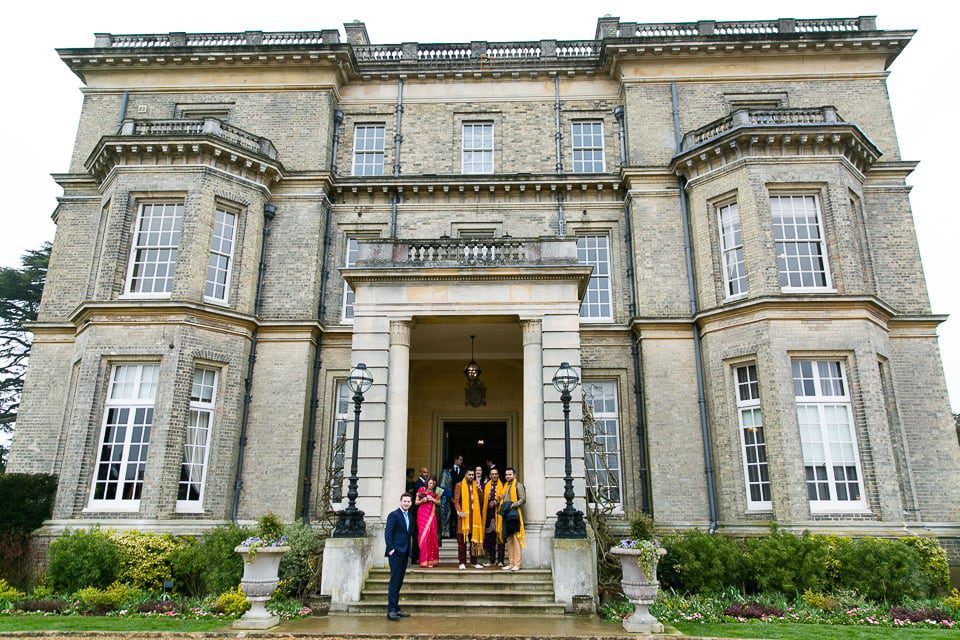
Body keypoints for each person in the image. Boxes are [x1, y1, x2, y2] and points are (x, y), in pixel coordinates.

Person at [384, 492, 413, 621]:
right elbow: (388, 533)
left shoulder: (409, 516)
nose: (406, 503)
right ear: (401, 502)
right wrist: (391, 549)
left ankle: (396, 608)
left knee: (399, 581)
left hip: (405, 552)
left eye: (408, 501)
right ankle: (391, 610)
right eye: (404, 501)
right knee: (394, 581)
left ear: (411, 503)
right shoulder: (394, 515)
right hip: (395, 553)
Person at [453, 467, 485, 569]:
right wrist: (459, 511)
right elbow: (456, 501)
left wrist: (479, 489)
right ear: (465, 475)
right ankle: (462, 562)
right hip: (464, 518)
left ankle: (474, 562)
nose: (471, 476)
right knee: (462, 542)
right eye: (469, 475)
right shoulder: (459, 485)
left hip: (474, 519)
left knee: (474, 541)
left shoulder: (476, 485)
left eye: (473, 475)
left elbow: (481, 500)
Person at [497, 467, 526, 571]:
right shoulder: (505, 486)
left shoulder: (518, 485)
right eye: (506, 475)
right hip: (506, 515)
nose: (507, 476)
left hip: (514, 515)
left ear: (514, 475)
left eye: (510, 474)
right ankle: (511, 562)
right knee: (509, 539)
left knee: (515, 539)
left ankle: (517, 564)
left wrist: (511, 505)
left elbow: (522, 500)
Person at [415, 476, 441, 567]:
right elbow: (416, 502)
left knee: (432, 536)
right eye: (430, 483)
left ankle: (431, 560)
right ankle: (423, 560)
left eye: (433, 484)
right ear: (427, 482)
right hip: (422, 515)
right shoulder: (421, 489)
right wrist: (423, 500)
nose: (431, 485)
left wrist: (432, 499)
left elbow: (439, 503)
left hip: (432, 515)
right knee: (423, 536)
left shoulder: (436, 492)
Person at [482, 467, 505, 566]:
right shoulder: (486, 486)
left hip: (499, 515)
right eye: (492, 474)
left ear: (498, 475)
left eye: (496, 474)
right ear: (490, 476)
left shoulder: (503, 485)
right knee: (490, 539)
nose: (494, 476)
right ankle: (491, 560)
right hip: (488, 515)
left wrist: (497, 501)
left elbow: (504, 497)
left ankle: (500, 560)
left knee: (500, 539)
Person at [410, 467, 428, 564]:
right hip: (418, 512)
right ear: (420, 473)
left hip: (424, 513)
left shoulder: (425, 483)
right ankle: (415, 556)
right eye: (424, 472)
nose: (426, 474)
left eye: (427, 472)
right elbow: (420, 496)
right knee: (417, 534)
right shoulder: (418, 484)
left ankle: (419, 555)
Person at [448, 455, 465, 537]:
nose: (461, 461)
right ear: (456, 460)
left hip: (461, 497)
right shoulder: (449, 471)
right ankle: (452, 532)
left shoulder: (463, 470)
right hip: (452, 496)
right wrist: (451, 496)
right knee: (452, 515)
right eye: (460, 460)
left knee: (460, 514)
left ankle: (459, 532)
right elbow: (448, 485)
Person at [438, 464, 453, 543]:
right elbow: (442, 487)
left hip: (447, 498)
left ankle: (445, 533)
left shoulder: (446, 473)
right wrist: (451, 495)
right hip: (444, 499)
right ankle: (443, 533)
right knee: (444, 515)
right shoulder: (445, 474)